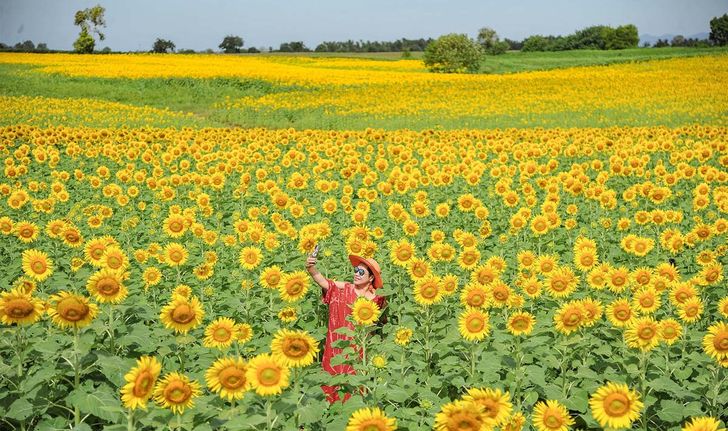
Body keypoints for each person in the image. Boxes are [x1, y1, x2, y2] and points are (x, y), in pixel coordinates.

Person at [306, 251, 387, 404]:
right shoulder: (344, 289)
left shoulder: (377, 298)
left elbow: (381, 322)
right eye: (356, 270)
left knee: (355, 388)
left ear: (371, 278)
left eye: (361, 272)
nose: (356, 273)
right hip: (336, 346)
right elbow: (324, 282)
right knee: (331, 383)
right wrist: (311, 267)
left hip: (358, 350)